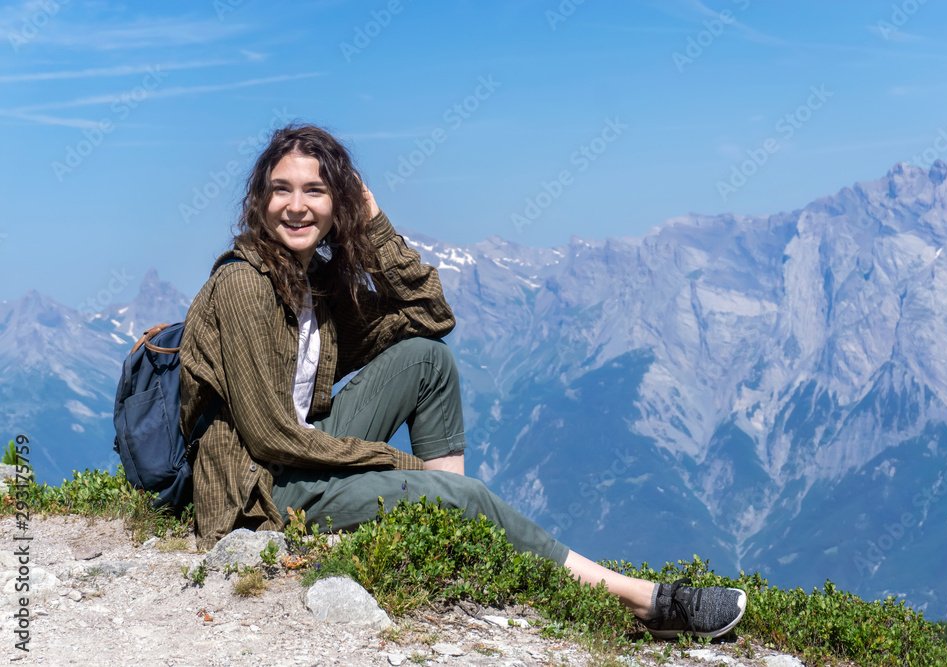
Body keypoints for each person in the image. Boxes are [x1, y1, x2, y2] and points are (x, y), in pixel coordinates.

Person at [178, 124, 746, 639]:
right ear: (260, 200)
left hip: (301, 453)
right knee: (461, 493)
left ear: (338, 205)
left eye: (316, 191)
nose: (296, 206)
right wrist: (394, 463)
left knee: (428, 359)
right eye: (282, 189)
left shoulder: (312, 284)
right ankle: (642, 601)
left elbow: (431, 316)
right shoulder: (245, 285)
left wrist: (374, 225)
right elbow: (271, 437)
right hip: (261, 487)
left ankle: (449, 539)